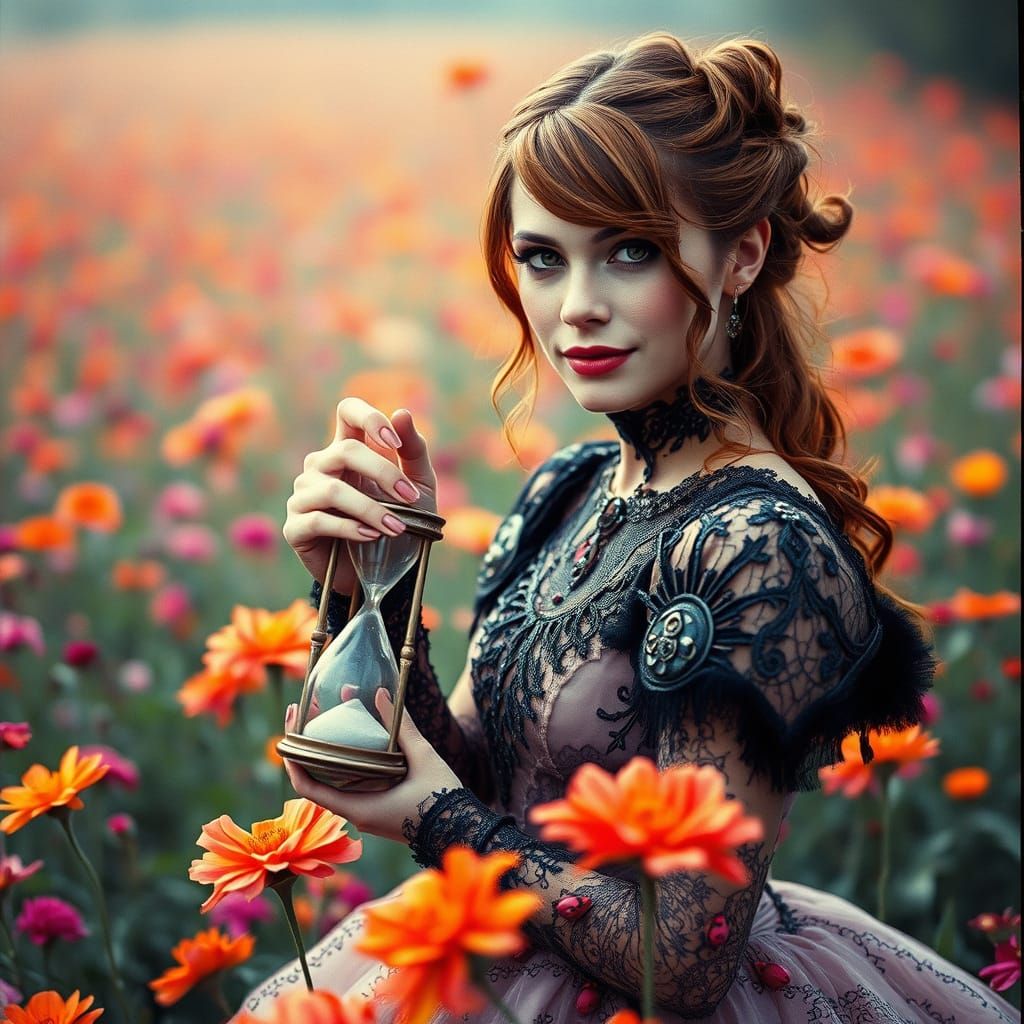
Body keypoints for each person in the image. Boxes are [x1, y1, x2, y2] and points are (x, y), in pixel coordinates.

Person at [240, 32, 1020, 1023]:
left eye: (629, 251)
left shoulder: (759, 542)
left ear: (742, 253)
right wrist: (371, 578)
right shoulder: (566, 490)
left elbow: (682, 958)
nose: (576, 308)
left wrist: (435, 817)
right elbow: (486, 773)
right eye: (541, 258)